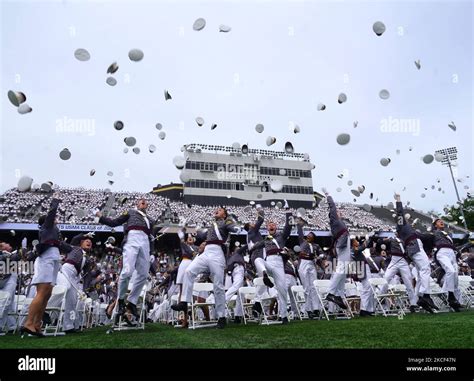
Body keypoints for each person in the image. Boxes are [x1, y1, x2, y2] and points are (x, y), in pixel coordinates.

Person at [172, 207, 241, 329]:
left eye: (219, 210)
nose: (216, 211)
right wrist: (186, 229)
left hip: (217, 253)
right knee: (188, 272)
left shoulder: (226, 221)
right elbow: (200, 236)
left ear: (224, 215)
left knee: (218, 286)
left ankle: (221, 317)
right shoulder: (211, 226)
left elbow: (233, 228)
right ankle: (184, 302)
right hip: (207, 251)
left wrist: (236, 226)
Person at [96, 198, 155, 324]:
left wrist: (152, 252)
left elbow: (152, 238)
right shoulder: (130, 212)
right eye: (141, 201)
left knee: (144, 275)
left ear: (147, 205)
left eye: (145, 201)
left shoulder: (150, 220)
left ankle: (132, 302)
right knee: (127, 271)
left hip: (145, 242)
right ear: (137, 204)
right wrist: (100, 217)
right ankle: (121, 299)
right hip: (132, 239)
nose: (143, 202)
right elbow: (114, 222)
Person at [22, 196, 62, 337]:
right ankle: (28, 323)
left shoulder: (53, 232)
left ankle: (37, 324)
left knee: (47, 294)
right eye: (54, 219)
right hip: (46, 260)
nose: (56, 220)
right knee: (42, 292)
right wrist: (55, 201)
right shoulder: (47, 226)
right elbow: (51, 213)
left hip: (53, 258)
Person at [394, 193, 436, 313]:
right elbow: (400, 213)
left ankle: (419, 298)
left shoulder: (409, 229)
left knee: (420, 272)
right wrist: (398, 201)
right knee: (425, 268)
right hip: (414, 246)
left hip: (415, 246)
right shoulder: (401, 224)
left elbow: (424, 236)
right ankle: (425, 296)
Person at [251, 210, 293, 324]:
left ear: (277, 227)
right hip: (269, 261)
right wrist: (248, 248)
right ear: (267, 228)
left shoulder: (282, 236)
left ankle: (284, 316)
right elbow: (254, 246)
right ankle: (265, 275)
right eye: (269, 224)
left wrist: (288, 212)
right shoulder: (265, 240)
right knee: (258, 259)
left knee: (282, 290)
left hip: (279, 262)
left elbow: (289, 225)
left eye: (273, 224)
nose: (271, 225)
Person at [420, 219, 462, 312]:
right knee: (451, 271)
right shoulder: (434, 232)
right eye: (439, 221)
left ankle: (456, 301)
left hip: (452, 254)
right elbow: (426, 237)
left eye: (442, 221)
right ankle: (451, 297)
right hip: (442, 252)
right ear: (435, 225)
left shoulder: (447, 235)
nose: (441, 222)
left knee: (455, 277)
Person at [57, 232, 95, 333]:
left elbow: (88, 276)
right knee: (65, 288)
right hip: (66, 270)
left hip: (75, 276)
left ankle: (68, 326)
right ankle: (46, 311)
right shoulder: (74, 247)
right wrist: (85, 234)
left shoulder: (88, 260)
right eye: (87, 241)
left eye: (90, 242)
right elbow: (75, 238)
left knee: (72, 301)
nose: (89, 242)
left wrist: (85, 290)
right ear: (81, 243)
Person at [323, 190, 350, 310]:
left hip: (344, 244)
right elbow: (332, 206)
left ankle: (338, 295)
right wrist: (328, 195)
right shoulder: (334, 219)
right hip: (342, 246)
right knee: (341, 269)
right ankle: (331, 293)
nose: (339, 213)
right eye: (338, 212)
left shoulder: (340, 223)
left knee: (343, 272)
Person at [381, 234, 418, 312]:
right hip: (394, 260)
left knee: (408, 283)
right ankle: (380, 297)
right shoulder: (393, 239)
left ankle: (413, 304)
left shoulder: (406, 241)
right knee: (386, 278)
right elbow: (382, 242)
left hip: (403, 261)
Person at [296, 219, 324, 319]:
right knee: (306, 287)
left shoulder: (316, 246)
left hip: (312, 264)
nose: (308, 236)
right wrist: (300, 225)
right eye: (308, 235)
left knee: (314, 286)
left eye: (310, 235)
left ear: (313, 238)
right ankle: (308, 309)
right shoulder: (302, 242)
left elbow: (322, 254)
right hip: (303, 263)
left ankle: (316, 308)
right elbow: (299, 233)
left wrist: (317, 257)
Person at [0, 241, 22, 333]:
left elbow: (16, 258)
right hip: (6, 278)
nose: (9, 244)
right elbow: (15, 258)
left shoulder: (9, 254)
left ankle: (12, 325)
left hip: (10, 276)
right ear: (2, 247)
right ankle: (1, 325)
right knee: (5, 301)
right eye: (6, 244)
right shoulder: (3, 254)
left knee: (10, 302)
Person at [225, 243, 247, 324]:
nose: (238, 249)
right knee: (236, 286)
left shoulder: (238, 256)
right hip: (236, 269)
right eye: (236, 248)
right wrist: (250, 243)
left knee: (241, 294)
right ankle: (223, 299)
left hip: (237, 271)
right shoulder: (235, 255)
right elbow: (245, 247)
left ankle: (238, 316)